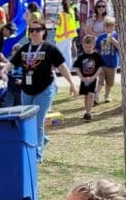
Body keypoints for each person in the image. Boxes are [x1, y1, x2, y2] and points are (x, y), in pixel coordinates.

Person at [10, 19, 77, 162]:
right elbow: (12, 63)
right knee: (28, 121)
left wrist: (72, 83)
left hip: (45, 90)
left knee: (38, 122)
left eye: (37, 29)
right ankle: (43, 139)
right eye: (31, 30)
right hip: (27, 90)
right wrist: (4, 70)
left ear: (44, 32)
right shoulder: (24, 49)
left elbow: (62, 67)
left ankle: (37, 154)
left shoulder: (49, 48)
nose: (34, 32)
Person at [73, 34, 105, 121]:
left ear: (93, 45)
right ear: (83, 45)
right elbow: (77, 68)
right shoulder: (81, 57)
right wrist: (82, 78)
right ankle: (86, 110)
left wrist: (94, 77)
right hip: (84, 80)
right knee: (86, 96)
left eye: (90, 47)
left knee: (91, 95)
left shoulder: (96, 56)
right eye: (86, 47)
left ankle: (89, 112)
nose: (88, 48)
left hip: (93, 79)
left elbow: (100, 67)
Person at [94, 16, 120, 104]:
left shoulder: (116, 35)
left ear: (114, 27)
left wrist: (113, 40)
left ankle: (107, 95)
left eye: (111, 27)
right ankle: (96, 95)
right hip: (101, 64)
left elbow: (119, 47)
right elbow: (96, 48)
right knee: (100, 81)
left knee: (110, 82)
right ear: (104, 27)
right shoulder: (101, 37)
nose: (108, 28)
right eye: (106, 27)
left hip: (112, 64)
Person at [54, 0, 78, 68]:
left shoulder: (61, 13)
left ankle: (55, 67)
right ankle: (68, 66)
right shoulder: (71, 11)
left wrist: (54, 21)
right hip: (71, 34)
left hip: (63, 35)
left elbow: (60, 23)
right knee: (67, 51)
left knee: (57, 51)